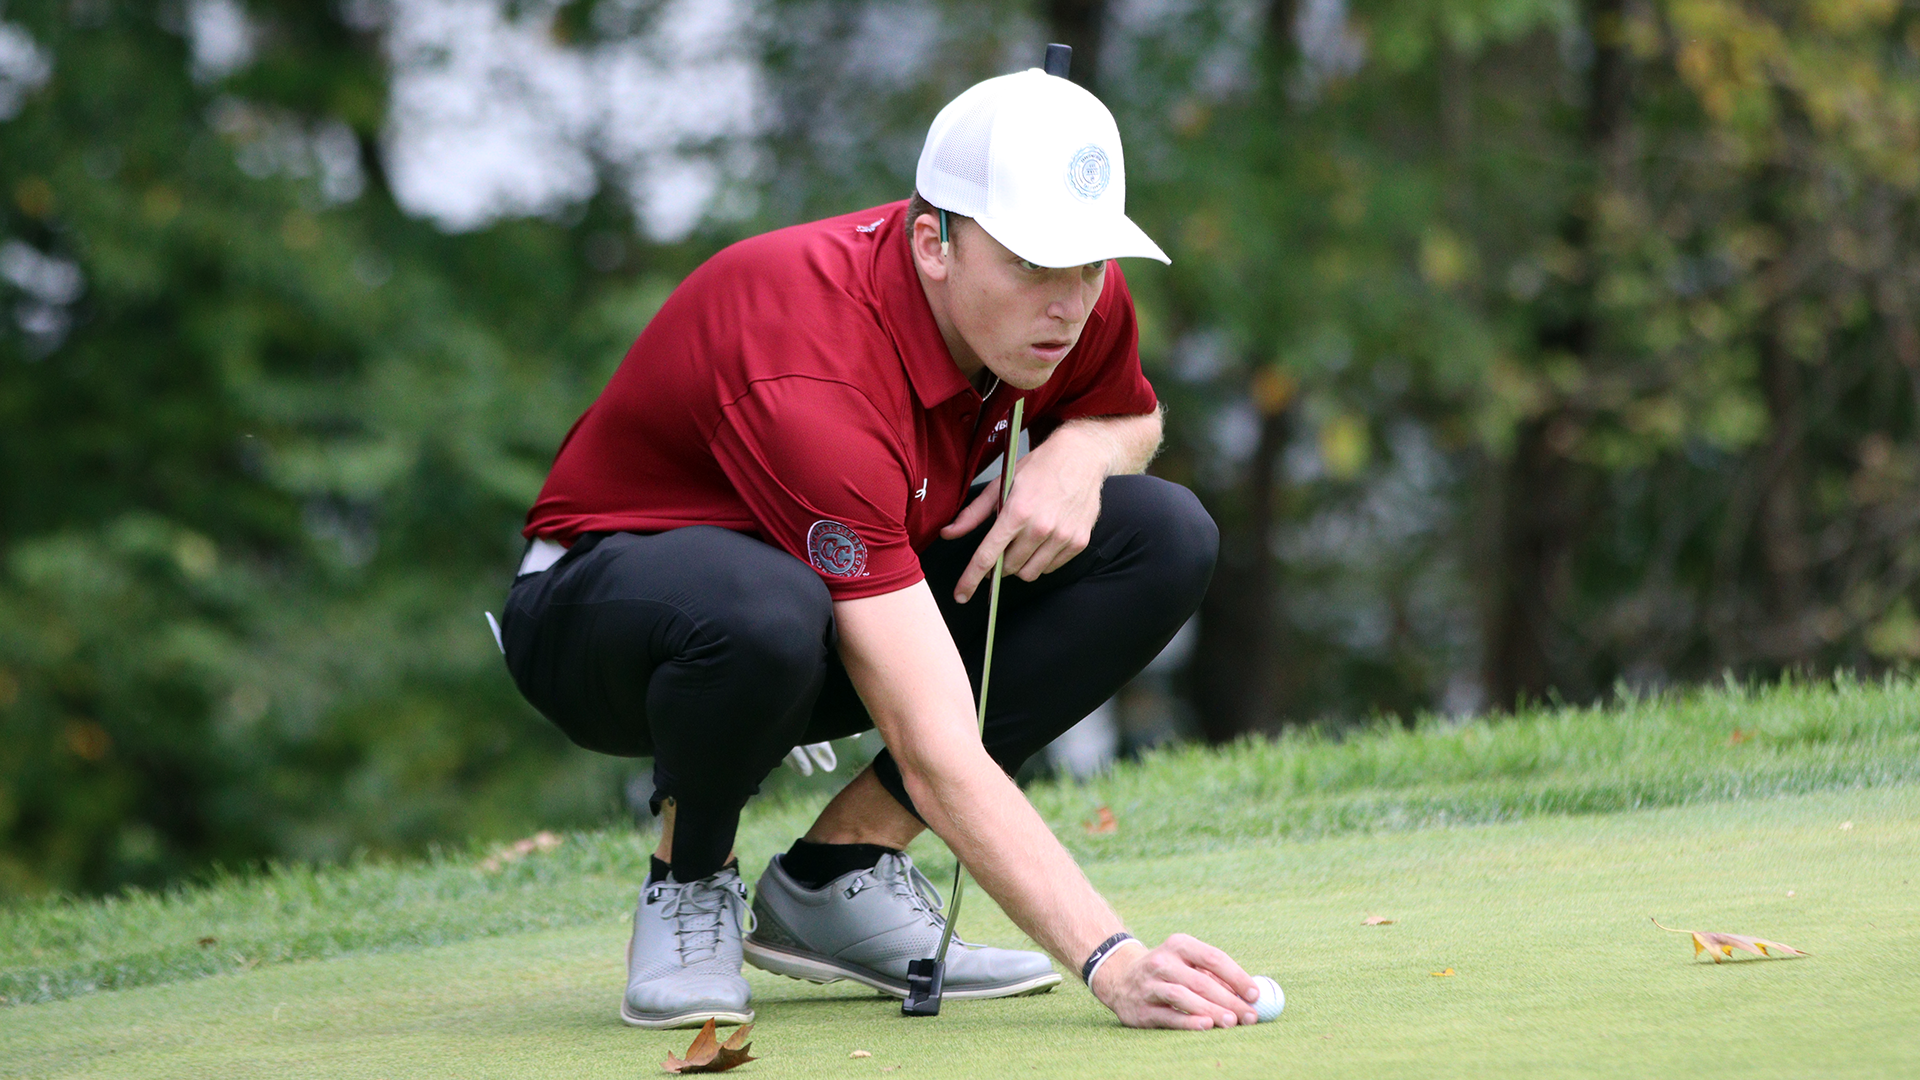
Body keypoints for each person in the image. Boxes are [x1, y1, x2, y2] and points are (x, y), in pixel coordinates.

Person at [499, 64, 1262, 1032]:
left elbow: (1132, 417)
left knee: (1161, 533)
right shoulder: (810, 356)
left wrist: (1081, 452)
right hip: (604, 624)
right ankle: (690, 880)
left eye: (1089, 263)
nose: (1068, 302)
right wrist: (1112, 960)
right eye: (1032, 262)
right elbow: (933, 738)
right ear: (932, 243)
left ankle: (838, 873)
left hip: (836, 594)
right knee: (765, 610)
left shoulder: (1072, 301)